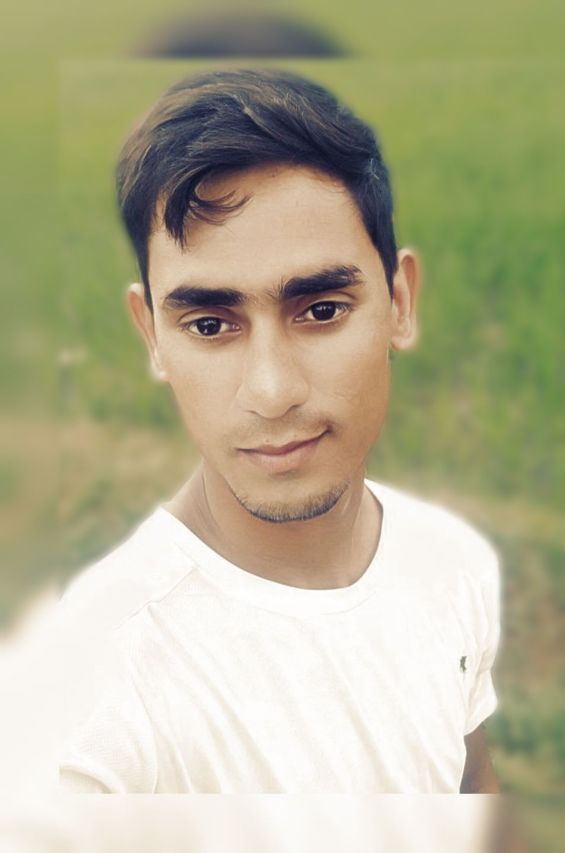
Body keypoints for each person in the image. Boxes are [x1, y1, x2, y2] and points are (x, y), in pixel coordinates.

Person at [58, 68, 501, 794]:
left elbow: (470, 785)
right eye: (210, 325)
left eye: (321, 310)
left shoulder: (451, 561)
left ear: (400, 302)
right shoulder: (96, 681)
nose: (271, 391)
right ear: (152, 336)